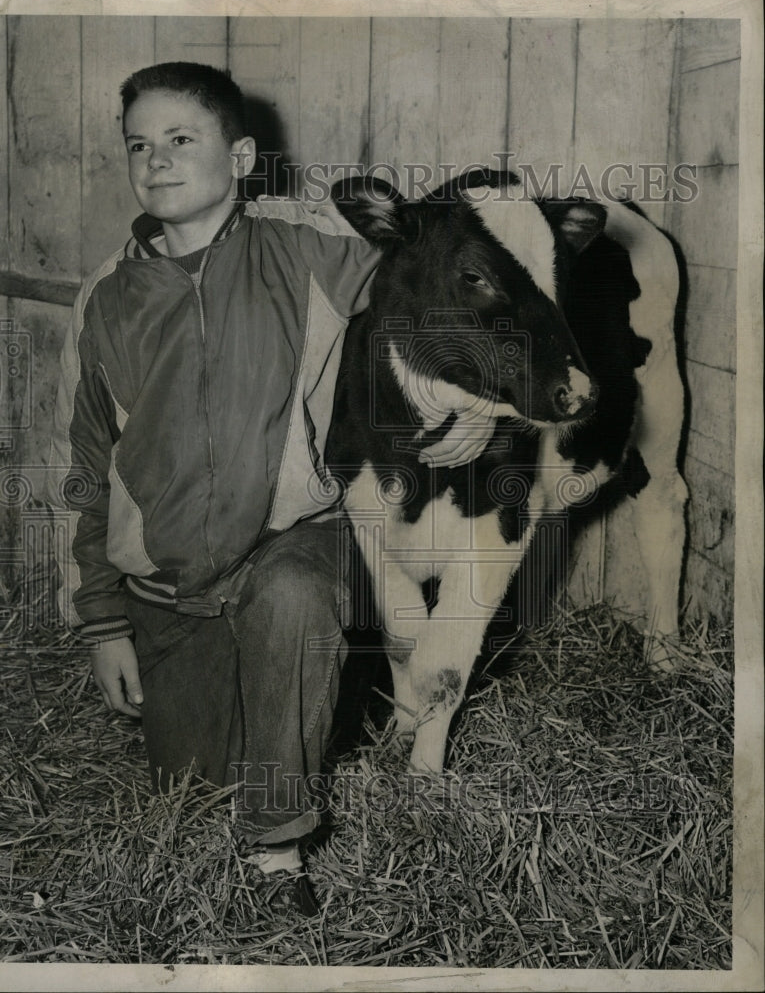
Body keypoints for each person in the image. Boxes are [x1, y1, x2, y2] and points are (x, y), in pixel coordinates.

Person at [45, 61, 494, 917]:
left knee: (293, 596)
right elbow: (81, 466)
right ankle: (253, 745)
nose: (158, 161)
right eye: (140, 145)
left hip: (291, 541)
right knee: (192, 794)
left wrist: (475, 391)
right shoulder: (105, 299)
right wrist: (101, 620)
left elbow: (442, 274)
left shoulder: (306, 253)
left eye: (183, 140)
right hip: (168, 585)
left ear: (243, 155)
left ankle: (280, 853)